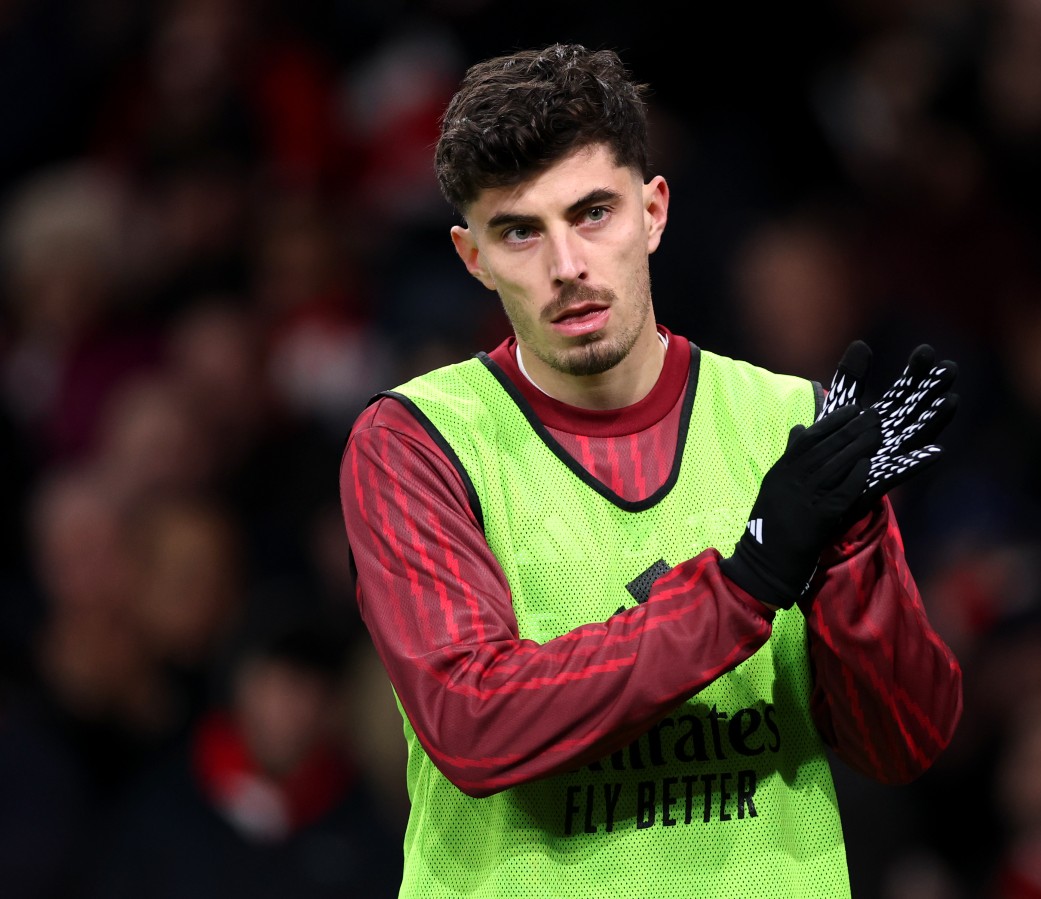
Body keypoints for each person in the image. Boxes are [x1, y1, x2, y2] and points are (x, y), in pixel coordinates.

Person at [339, 42, 963, 899]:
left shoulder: (792, 423)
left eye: (593, 213)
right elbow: (474, 720)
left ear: (654, 210)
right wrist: (746, 585)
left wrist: (851, 557)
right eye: (520, 230)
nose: (566, 266)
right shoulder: (416, 441)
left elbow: (907, 741)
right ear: (471, 257)